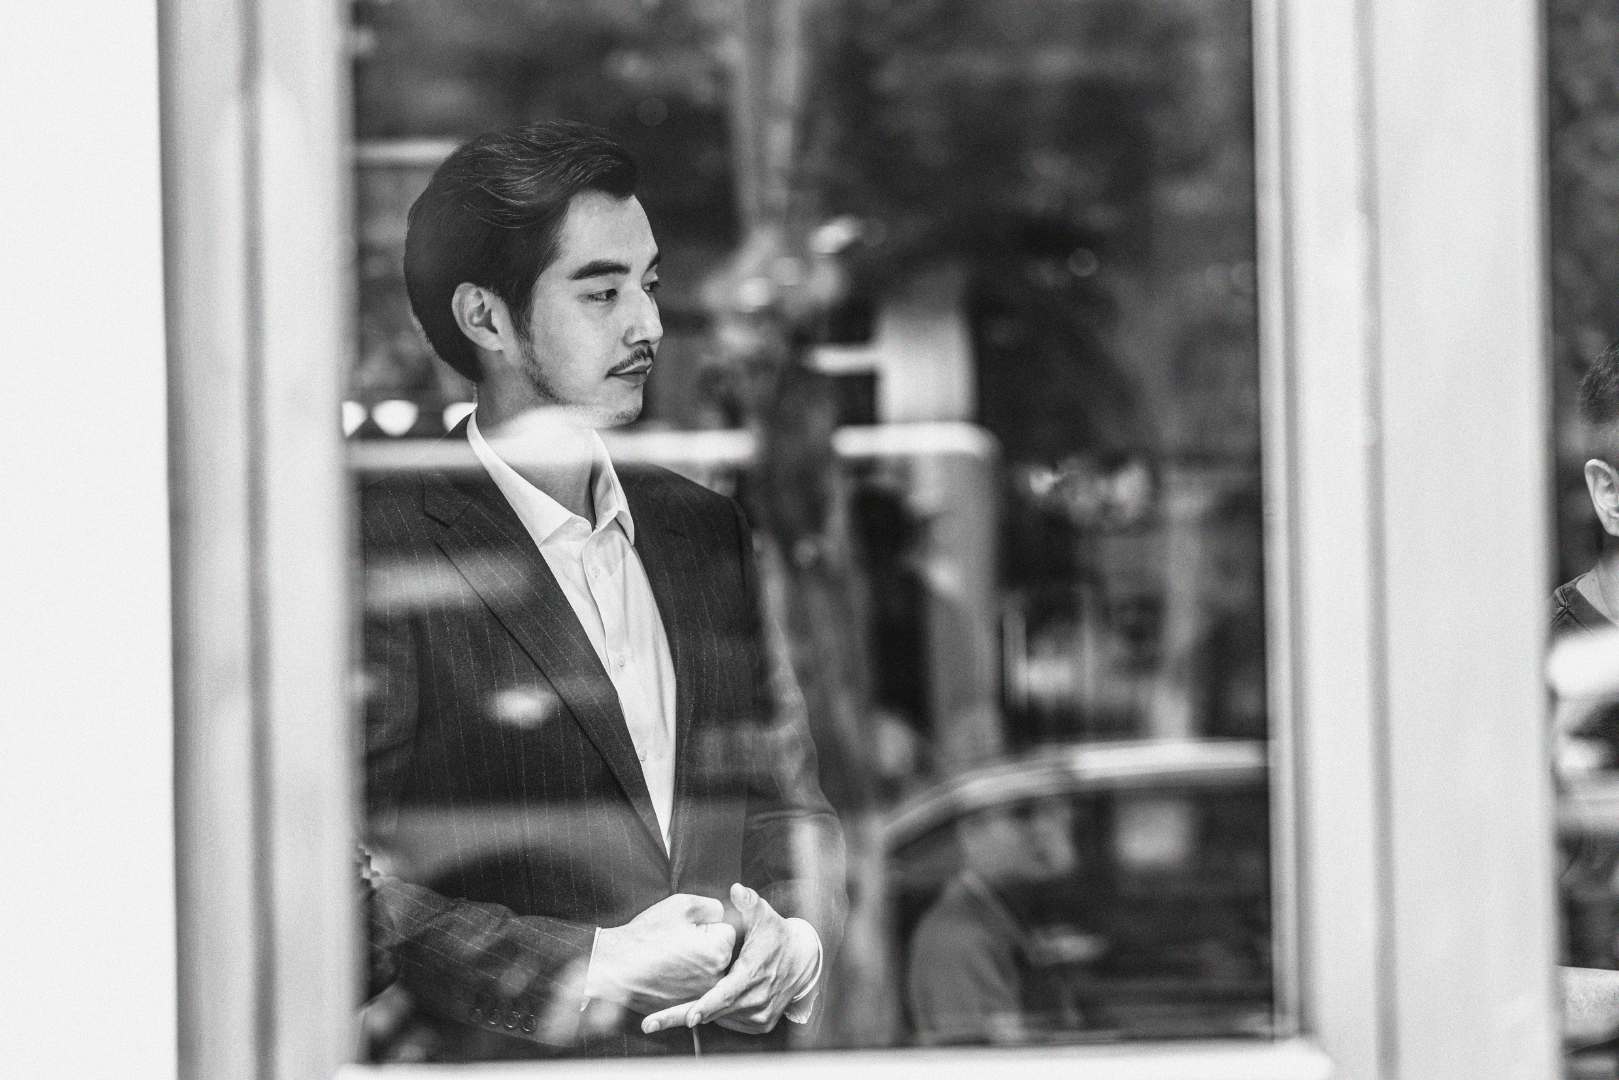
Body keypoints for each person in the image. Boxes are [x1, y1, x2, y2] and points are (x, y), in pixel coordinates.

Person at [359, 120, 846, 1061]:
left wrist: (797, 938)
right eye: (601, 291)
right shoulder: (382, 549)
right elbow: (338, 887)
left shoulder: (702, 531)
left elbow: (783, 799)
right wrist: (584, 968)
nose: (648, 326)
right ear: (485, 319)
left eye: (649, 285)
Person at [905, 796, 1087, 1044]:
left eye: (1056, 810)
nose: (1045, 828)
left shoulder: (1009, 915)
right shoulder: (958, 936)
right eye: (1022, 813)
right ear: (969, 831)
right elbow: (979, 1057)